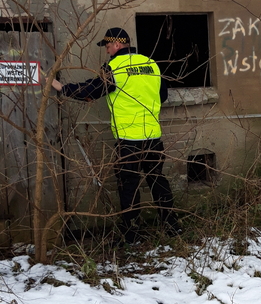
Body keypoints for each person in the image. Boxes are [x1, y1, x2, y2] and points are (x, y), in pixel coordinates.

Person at [51, 26, 180, 242]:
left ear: (117, 44)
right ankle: (172, 227)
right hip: (152, 137)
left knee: (128, 186)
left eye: (108, 46)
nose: (107, 51)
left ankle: (132, 235)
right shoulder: (151, 64)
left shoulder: (114, 67)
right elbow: (163, 96)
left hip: (129, 140)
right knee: (158, 181)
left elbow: (92, 91)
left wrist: (61, 87)